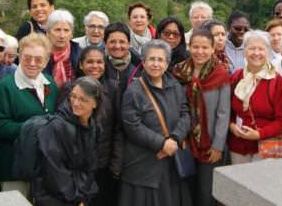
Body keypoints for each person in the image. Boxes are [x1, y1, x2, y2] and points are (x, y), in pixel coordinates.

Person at [120, 40, 192, 206]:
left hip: (171, 161)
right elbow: (132, 125)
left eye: (161, 60)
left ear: (167, 63)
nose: (156, 64)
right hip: (144, 164)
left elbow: (185, 113)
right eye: (151, 59)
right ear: (143, 62)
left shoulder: (175, 85)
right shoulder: (134, 90)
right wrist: (161, 143)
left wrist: (174, 139)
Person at [0, 33, 59, 198]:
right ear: (19, 56)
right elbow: (0, 127)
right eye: (27, 58)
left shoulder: (50, 83)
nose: (32, 63)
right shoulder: (6, 86)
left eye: (38, 59)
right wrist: (36, 128)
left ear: (46, 61)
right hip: (14, 164)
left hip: (42, 163)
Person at [172, 28, 230, 206]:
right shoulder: (178, 72)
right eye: (195, 47)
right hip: (185, 142)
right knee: (186, 190)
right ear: (189, 47)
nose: (200, 51)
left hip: (210, 144)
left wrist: (218, 146)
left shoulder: (220, 74)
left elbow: (223, 113)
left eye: (205, 47)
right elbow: (174, 108)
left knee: (206, 194)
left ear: (213, 49)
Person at [58, 46, 121, 205]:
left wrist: (116, 162)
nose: (95, 66)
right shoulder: (69, 89)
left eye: (99, 62)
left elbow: (118, 128)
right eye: (90, 62)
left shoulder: (113, 88)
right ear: (80, 65)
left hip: (103, 164)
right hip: (77, 165)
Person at [34, 77, 103, 206]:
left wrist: (83, 198)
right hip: (53, 198)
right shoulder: (55, 127)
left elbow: (91, 168)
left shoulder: (94, 127)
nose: (75, 103)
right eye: (73, 96)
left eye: (83, 99)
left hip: (77, 197)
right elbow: (54, 172)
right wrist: (77, 199)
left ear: (95, 104)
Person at [228, 31, 282, 163]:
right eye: (251, 48)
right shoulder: (236, 77)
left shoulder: (276, 81)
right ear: (244, 51)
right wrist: (232, 126)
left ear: (268, 52)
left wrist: (259, 134)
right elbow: (228, 112)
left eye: (261, 49)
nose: (256, 53)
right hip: (238, 146)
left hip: (267, 146)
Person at [45, 9, 82, 87]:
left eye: (66, 30)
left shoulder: (80, 54)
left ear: (71, 34)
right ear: (48, 33)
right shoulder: (39, 54)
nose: (62, 35)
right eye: (57, 30)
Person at [104, 22, 142, 92]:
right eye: (112, 42)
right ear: (105, 44)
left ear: (129, 43)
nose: (117, 46)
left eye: (122, 42)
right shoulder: (99, 68)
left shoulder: (140, 68)